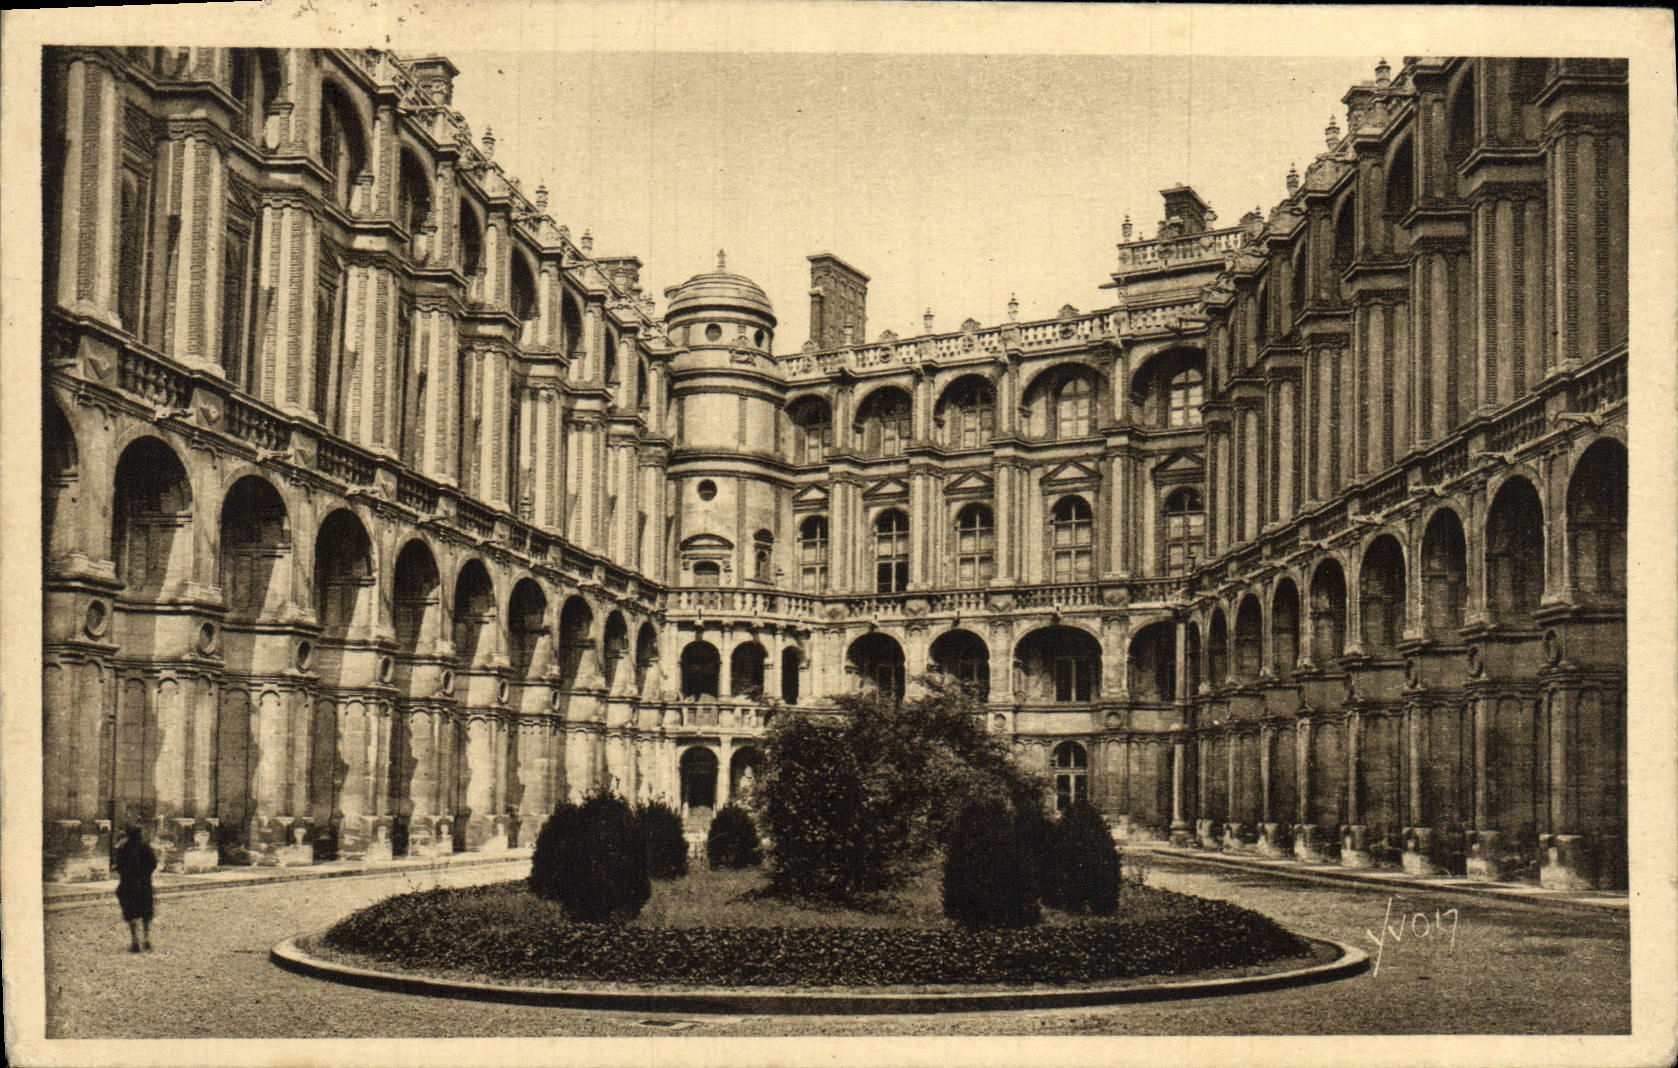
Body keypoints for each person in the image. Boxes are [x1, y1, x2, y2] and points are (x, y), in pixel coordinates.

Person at [112, 823, 157, 953]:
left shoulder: (123, 848)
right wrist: (145, 874)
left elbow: (119, 866)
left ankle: (135, 940)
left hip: (128, 885)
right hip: (144, 885)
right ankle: (146, 939)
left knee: (131, 913)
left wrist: (127, 875)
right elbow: (153, 864)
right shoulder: (145, 847)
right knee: (146, 913)